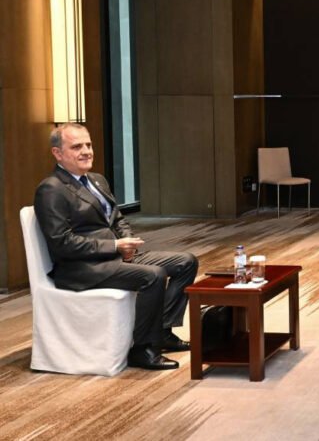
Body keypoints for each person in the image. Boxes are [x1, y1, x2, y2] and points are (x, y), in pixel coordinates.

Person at [33, 123, 198, 371]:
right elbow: (61, 243)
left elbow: (117, 219)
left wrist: (128, 243)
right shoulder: (51, 189)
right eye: (76, 147)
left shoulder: (97, 180)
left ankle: (163, 330)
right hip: (83, 268)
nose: (86, 151)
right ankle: (143, 349)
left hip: (115, 257)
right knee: (154, 275)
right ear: (57, 153)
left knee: (186, 262)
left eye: (88, 145)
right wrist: (114, 246)